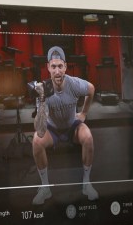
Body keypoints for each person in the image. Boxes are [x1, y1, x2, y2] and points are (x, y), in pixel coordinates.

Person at [31, 46, 98, 204]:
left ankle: (86, 184)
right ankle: (45, 188)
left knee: (88, 137)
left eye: (60, 66)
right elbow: (40, 131)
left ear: (66, 67)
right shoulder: (43, 89)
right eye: (53, 67)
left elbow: (91, 89)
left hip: (71, 127)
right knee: (36, 141)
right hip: (52, 129)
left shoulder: (74, 84)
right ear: (48, 67)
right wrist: (41, 99)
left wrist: (83, 114)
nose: (57, 71)